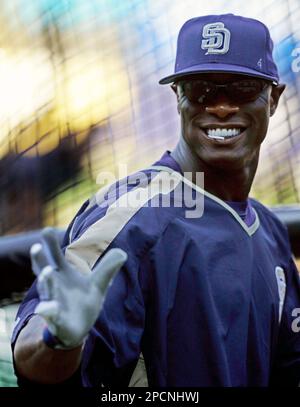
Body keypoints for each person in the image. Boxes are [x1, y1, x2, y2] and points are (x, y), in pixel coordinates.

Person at [11, 13, 300, 387]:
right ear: (177, 97)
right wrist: (57, 339)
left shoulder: (270, 232)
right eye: (202, 90)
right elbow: (37, 360)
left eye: (243, 88)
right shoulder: (132, 215)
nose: (222, 107)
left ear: (273, 98)